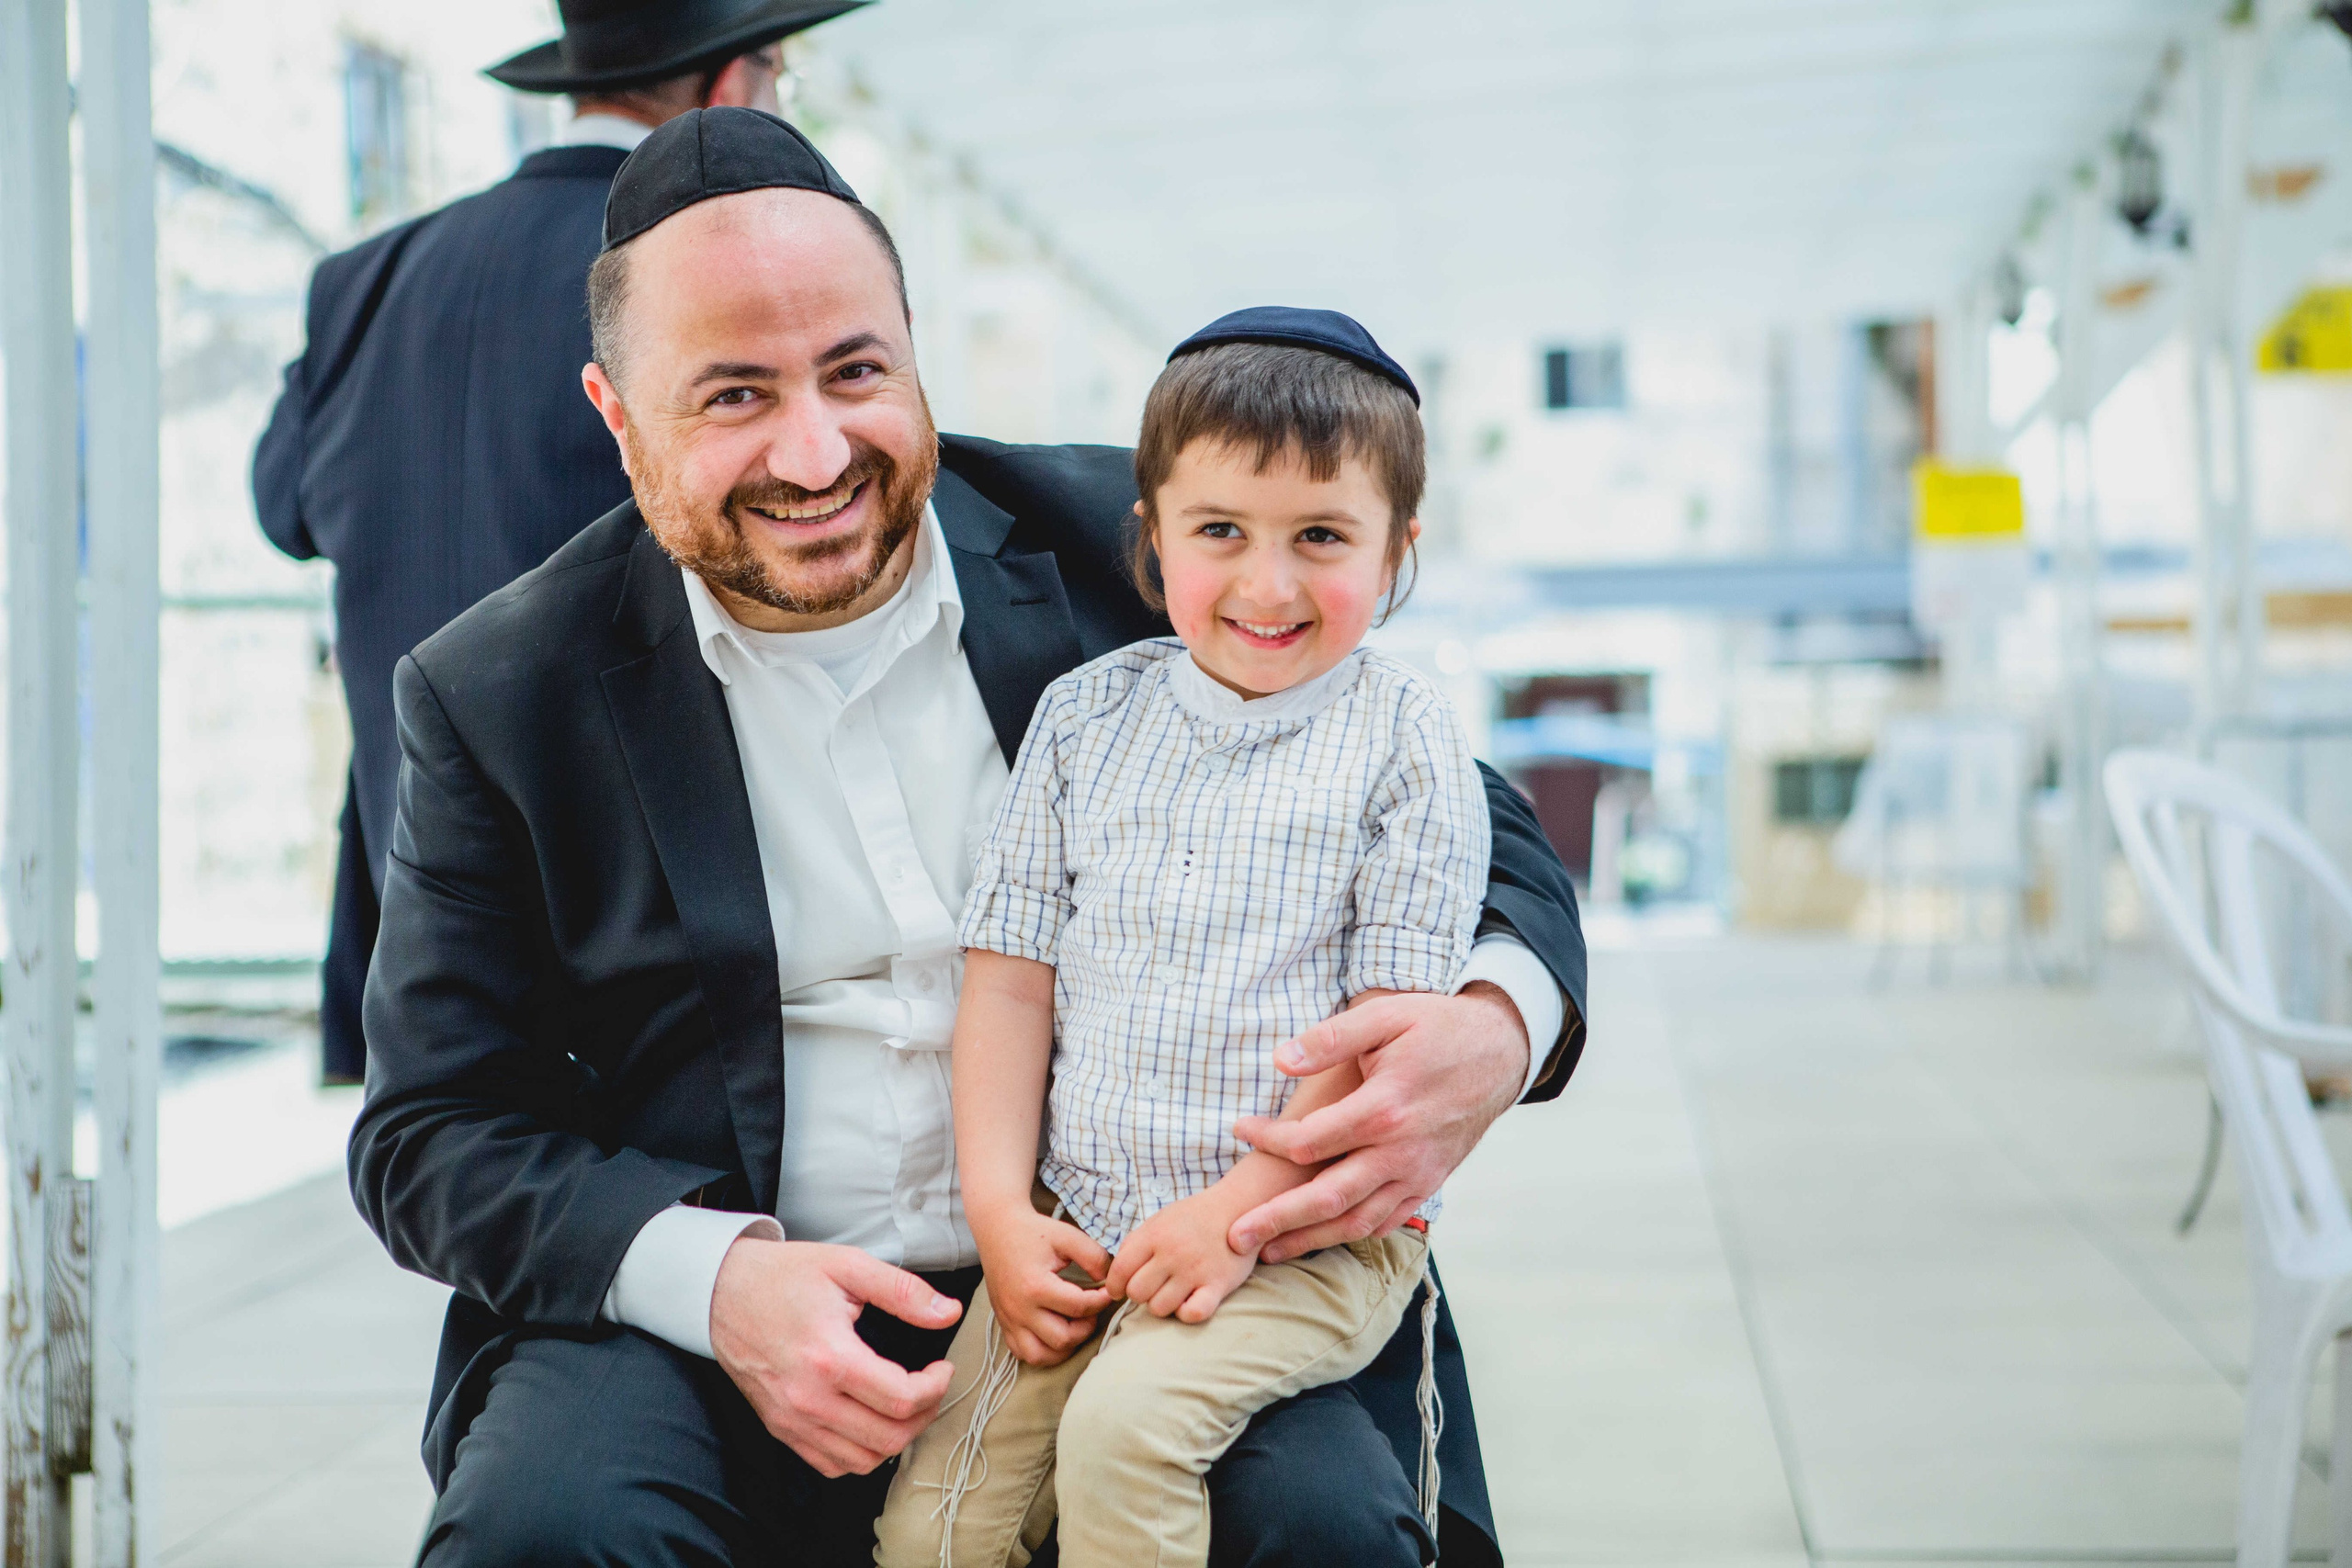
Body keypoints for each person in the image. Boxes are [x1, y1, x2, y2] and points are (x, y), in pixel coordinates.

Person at [352, 108, 1589, 1568]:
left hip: (1160, 1250)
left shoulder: (1163, 541)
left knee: (1317, 1522)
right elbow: (430, 1129)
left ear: (913, 348)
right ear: (617, 416)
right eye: (735, 394)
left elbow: (1468, 808)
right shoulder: (499, 689)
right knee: (545, 1532)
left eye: (855, 370)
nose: (816, 449)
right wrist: (715, 1277)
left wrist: (1497, 1022)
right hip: (722, 1305)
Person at [874, 309, 1487, 1568]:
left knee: (1128, 1432)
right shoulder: (1084, 717)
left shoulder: (1406, 738)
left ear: (1397, 550)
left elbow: (1375, 1034)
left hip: (1304, 1236)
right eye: (1220, 532)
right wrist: (999, 1209)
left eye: (1321, 536)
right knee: (935, 1524)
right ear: (1151, 536)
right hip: (1082, 1208)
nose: (1268, 584)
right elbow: (1010, 981)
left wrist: (1236, 1216)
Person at [251, 0, 865, 1083]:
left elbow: (281, 510)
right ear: (731, 86)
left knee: (461, 1151)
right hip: (650, 892)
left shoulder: (365, 278)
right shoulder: (702, 273)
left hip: (411, 874)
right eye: (781, 76)